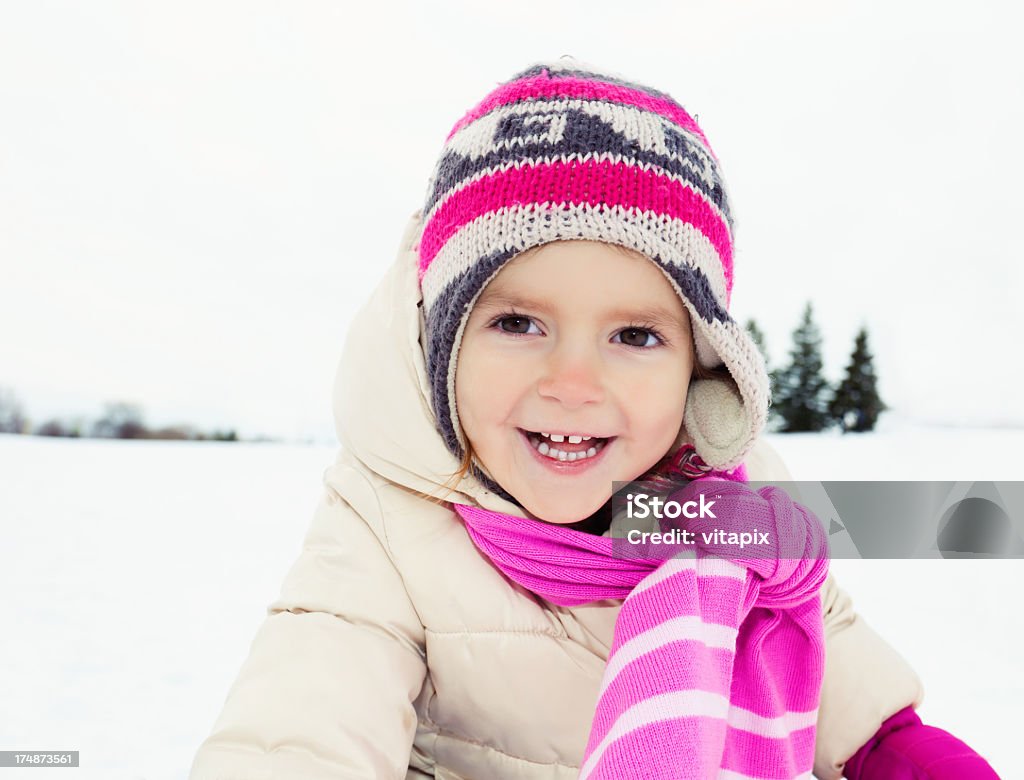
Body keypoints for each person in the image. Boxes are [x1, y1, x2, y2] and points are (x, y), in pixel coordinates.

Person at [188, 58, 999, 779]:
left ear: (698, 366)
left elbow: (823, 641)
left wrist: (892, 744)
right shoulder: (386, 523)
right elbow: (304, 711)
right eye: (517, 323)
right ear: (442, 342)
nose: (573, 382)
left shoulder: (736, 500)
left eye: (635, 335)